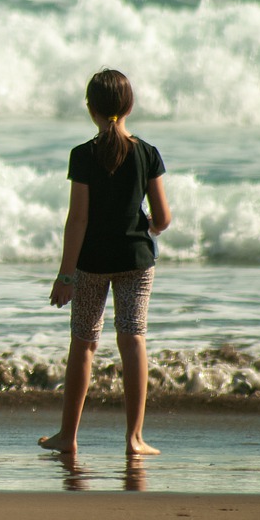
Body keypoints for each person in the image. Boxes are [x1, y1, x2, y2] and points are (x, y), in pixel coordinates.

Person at [39, 69, 171, 456]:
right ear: (129, 106)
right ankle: (134, 439)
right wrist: (148, 225)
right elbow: (163, 217)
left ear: (90, 109)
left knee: (84, 344)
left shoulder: (82, 155)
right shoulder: (147, 153)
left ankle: (68, 436)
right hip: (135, 260)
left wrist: (65, 274)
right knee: (132, 339)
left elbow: (77, 219)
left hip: (91, 262)